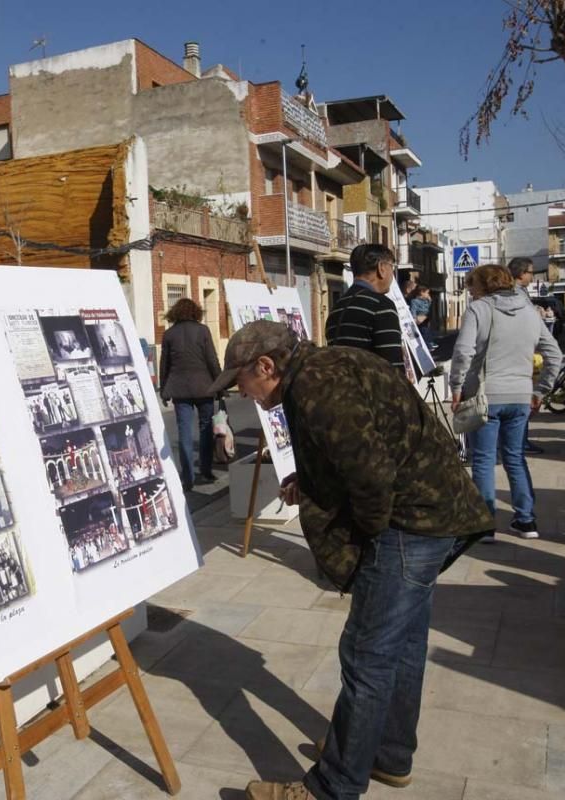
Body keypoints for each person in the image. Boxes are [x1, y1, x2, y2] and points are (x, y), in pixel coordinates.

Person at [206, 321, 492, 800]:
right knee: (400, 647)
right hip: (432, 514)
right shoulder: (325, 367)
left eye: (242, 381)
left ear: (265, 366)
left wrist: (372, 540)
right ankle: (386, 753)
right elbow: (359, 447)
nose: (244, 393)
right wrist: (313, 477)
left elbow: (372, 478)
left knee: (367, 655)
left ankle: (333, 787)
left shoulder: (317, 385)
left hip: (410, 524)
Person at [450, 264, 561, 541]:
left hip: (486, 396)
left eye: (472, 285)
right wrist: (541, 391)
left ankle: (485, 526)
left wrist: (456, 386)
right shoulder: (530, 312)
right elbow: (555, 355)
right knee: (515, 457)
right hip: (522, 396)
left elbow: (464, 351)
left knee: (484, 460)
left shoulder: (478, 309)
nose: (470, 291)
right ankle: (526, 521)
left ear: (486, 285)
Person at [159, 297, 223, 490]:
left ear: (175, 313)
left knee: (184, 432)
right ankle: (205, 470)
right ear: (196, 312)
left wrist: (164, 390)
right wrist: (220, 383)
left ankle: (187, 478)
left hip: (179, 389)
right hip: (204, 387)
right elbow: (212, 359)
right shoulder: (203, 331)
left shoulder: (169, 334)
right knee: (205, 429)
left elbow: (165, 364)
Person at [325, 243, 405, 371]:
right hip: (372, 389)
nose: (393, 275)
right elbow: (393, 368)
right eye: (392, 267)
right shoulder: (381, 305)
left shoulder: (336, 309)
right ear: (381, 268)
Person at [508, 257, 544, 455]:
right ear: (521, 274)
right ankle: (519, 443)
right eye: (531, 272)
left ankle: (521, 441)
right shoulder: (515, 294)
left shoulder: (519, 293)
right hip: (518, 355)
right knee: (523, 401)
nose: (532, 275)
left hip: (520, 354)